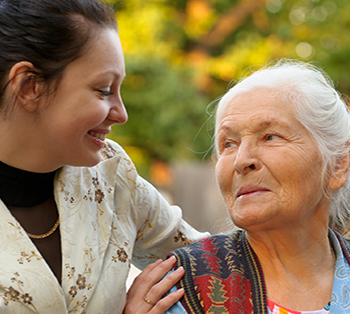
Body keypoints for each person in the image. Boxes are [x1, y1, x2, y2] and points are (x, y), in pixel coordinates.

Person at [0, 0, 209, 313]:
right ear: (29, 86)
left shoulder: (112, 175)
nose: (121, 114)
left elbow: (210, 261)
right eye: (103, 90)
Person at [147, 60, 350, 314]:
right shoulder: (179, 290)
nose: (242, 161)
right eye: (229, 144)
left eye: (271, 137)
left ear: (338, 165)